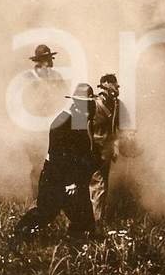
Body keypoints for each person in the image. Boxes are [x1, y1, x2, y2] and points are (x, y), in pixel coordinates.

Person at [15, 83, 99, 239]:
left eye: (89, 102)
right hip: (55, 177)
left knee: (84, 218)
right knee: (45, 213)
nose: (89, 106)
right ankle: (18, 236)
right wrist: (69, 182)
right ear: (75, 102)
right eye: (84, 103)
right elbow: (57, 157)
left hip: (72, 178)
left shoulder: (80, 119)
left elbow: (81, 151)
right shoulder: (62, 122)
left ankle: (79, 247)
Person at [21, 44, 68, 195]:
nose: (49, 63)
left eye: (49, 59)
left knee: (53, 162)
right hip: (34, 128)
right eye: (46, 59)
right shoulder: (28, 79)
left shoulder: (56, 77)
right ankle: (37, 198)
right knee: (37, 165)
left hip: (52, 126)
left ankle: (51, 199)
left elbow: (64, 97)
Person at [89, 73, 123, 227]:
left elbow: (116, 129)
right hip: (93, 150)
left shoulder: (116, 105)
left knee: (102, 185)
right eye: (114, 85)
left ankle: (96, 219)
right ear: (106, 85)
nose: (117, 87)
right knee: (98, 186)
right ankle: (95, 222)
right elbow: (83, 128)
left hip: (106, 151)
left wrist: (115, 146)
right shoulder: (94, 104)